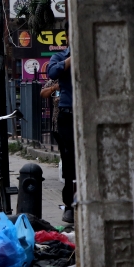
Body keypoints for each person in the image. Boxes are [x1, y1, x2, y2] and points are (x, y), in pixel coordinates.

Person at [47, 45, 75, 223]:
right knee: (69, 159)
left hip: (91, 112)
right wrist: (72, 58)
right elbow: (52, 72)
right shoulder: (59, 57)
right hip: (68, 114)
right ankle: (70, 205)